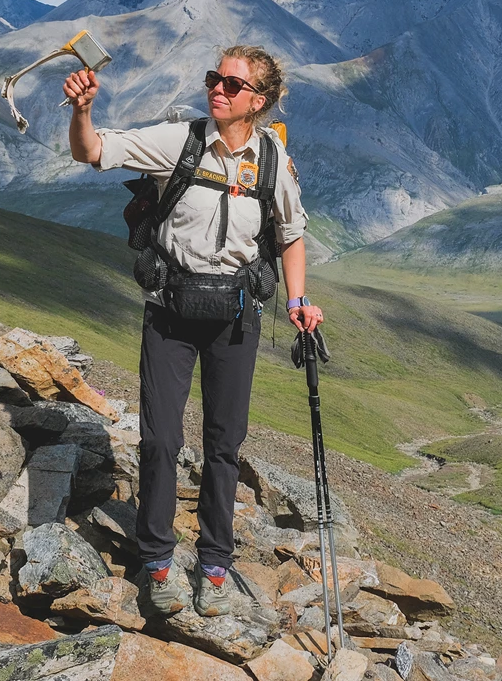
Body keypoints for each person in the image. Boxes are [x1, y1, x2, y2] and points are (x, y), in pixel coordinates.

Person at [64, 44, 324, 617]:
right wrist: (82, 111)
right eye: (214, 79)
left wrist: (300, 299)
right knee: (160, 439)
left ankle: (214, 563)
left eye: (232, 85)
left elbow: (290, 234)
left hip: (237, 315)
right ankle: (156, 559)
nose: (217, 90)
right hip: (170, 310)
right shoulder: (178, 140)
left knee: (224, 445)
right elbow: (93, 151)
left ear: (259, 101)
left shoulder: (273, 161)